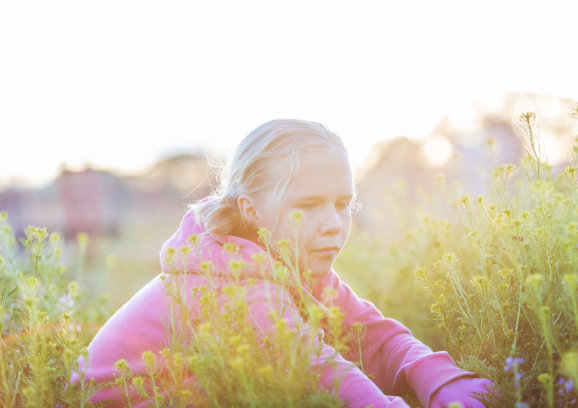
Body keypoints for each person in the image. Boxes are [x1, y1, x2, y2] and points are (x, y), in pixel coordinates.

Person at [75, 119, 493, 407]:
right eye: (308, 205)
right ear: (251, 209)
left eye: (343, 204)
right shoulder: (227, 281)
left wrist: (442, 380)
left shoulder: (293, 264)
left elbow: (376, 338)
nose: (332, 224)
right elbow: (328, 379)